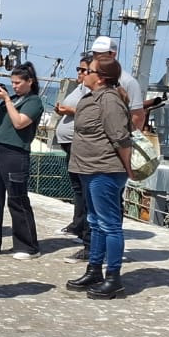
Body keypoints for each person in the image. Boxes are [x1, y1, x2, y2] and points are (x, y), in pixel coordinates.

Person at [65, 58, 135, 300]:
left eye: (88, 70)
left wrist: (127, 167)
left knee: (109, 224)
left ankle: (113, 278)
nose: (83, 73)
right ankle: (94, 269)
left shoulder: (109, 100)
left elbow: (120, 138)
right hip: (88, 168)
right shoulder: (92, 98)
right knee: (94, 222)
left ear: (101, 77)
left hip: (104, 170)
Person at [0, 62, 44, 258]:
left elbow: (20, 122)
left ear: (29, 82)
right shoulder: (13, 99)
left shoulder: (33, 102)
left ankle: (28, 246)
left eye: (17, 83)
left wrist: (6, 99)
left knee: (17, 199)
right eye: (12, 83)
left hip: (15, 152)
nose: (14, 86)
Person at [55, 56, 93, 249]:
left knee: (83, 187)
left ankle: (83, 228)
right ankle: (77, 224)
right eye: (78, 69)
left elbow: (90, 112)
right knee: (77, 187)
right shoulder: (80, 88)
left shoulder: (91, 91)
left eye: (83, 70)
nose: (79, 72)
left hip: (77, 143)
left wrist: (69, 110)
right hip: (69, 142)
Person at [89, 36, 145, 128]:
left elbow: (137, 116)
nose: (96, 57)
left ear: (113, 54)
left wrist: (127, 139)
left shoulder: (128, 82)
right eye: (94, 53)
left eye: (100, 53)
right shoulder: (90, 77)